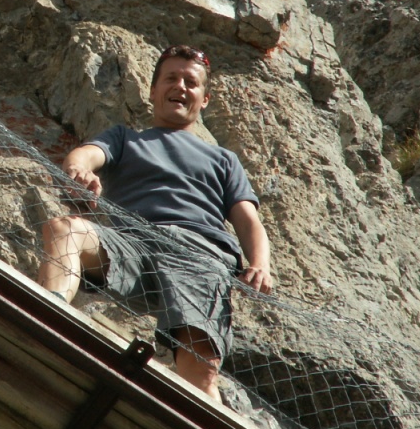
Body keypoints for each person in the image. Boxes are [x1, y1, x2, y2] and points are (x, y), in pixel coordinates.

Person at [37, 45, 272, 401]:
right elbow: (85, 154)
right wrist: (79, 171)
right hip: (132, 243)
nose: (180, 86)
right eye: (171, 78)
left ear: (204, 99)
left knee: (201, 371)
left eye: (191, 82)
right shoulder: (124, 138)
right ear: (152, 91)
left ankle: (200, 425)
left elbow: (249, 220)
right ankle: (48, 319)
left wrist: (260, 264)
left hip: (198, 255)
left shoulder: (224, 160)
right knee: (64, 229)